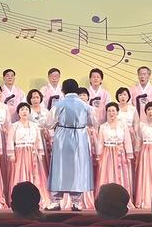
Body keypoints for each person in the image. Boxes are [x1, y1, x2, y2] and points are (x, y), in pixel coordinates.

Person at [45, 79, 93, 211]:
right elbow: (93, 122)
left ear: (63, 90)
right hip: (80, 137)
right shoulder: (85, 105)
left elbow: (48, 123)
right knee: (78, 168)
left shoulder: (59, 104)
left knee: (59, 167)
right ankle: (76, 202)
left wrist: (57, 124)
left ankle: (55, 201)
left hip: (63, 136)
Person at [7, 102, 51, 208]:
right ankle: (20, 198)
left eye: (26, 109)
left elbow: (38, 140)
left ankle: (35, 197)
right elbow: (10, 140)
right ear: (18, 113)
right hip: (20, 151)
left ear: (29, 112)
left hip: (32, 152)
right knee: (20, 172)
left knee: (34, 174)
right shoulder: (14, 126)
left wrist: (40, 153)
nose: (24, 112)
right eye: (22, 110)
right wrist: (11, 154)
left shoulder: (34, 126)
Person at [95, 103, 134, 205]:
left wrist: (129, 154)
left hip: (119, 152)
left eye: (113, 110)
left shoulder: (122, 125)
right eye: (109, 111)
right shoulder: (103, 127)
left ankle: (121, 200)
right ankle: (105, 201)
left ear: (117, 112)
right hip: (107, 153)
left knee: (121, 175)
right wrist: (99, 156)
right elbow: (100, 142)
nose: (111, 113)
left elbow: (127, 140)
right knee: (107, 175)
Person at [115, 87, 140, 151]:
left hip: (130, 134)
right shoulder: (114, 108)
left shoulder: (133, 109)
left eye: (124, 94)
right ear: (117, 97)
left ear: (128, 96)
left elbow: (136, 124)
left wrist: (137, 137)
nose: (122, 97)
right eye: (120, 95)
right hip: (118, 134)